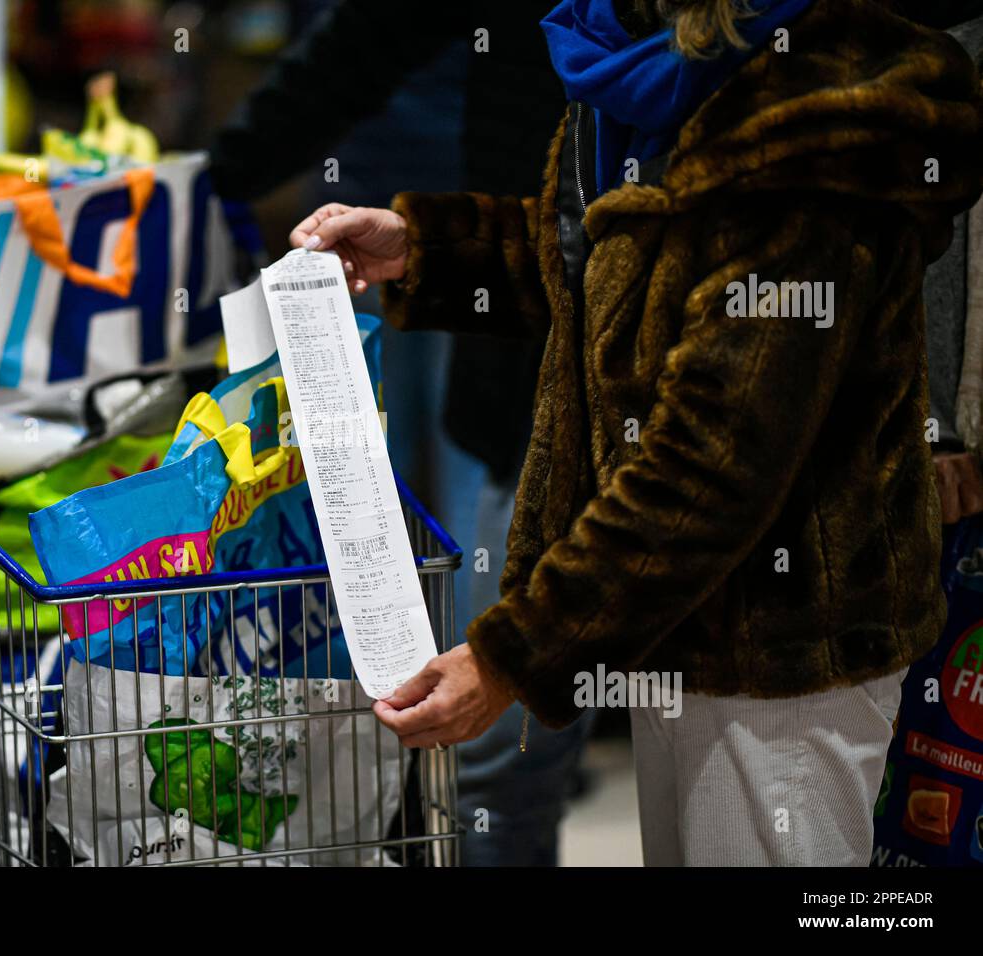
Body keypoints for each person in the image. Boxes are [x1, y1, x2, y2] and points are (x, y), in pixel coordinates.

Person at [291, 0, 983, 865]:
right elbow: (613, 272)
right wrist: (426, 249)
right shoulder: (628, 59)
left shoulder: (819, 106)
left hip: (785, 654)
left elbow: (715, 461)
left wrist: (513, 657)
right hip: (678, 623)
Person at [211, 0, 596, 866]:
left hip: (586, 396)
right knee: (460, 728)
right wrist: (428, 249)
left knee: (491, 750)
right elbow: (583, 239)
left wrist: (508, 660)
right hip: (506, 345)